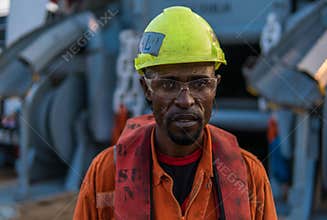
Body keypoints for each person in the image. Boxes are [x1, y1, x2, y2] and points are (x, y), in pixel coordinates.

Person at [74, 6, 277, 220]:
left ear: (215, 87)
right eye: (169, 84)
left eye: (200, 83)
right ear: (146, 89)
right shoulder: (107, 174)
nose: (186, 100)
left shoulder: (249, 177)